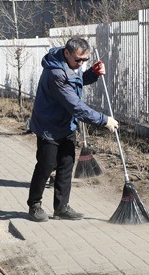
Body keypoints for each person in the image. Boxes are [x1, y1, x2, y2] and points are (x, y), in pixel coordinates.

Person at [27, 37, 118, 222]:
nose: (81, 64)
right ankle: (34, 205)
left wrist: (92, 73)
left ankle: (61, 207)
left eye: (85, 60)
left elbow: (77, 81)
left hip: (66, 124)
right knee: (46, 166)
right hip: (48, 126)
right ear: (67, 53)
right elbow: (75, 106)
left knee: (66, 165)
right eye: (78, 60)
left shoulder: (69, 64)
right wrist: (104, 120)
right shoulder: (55, 73)